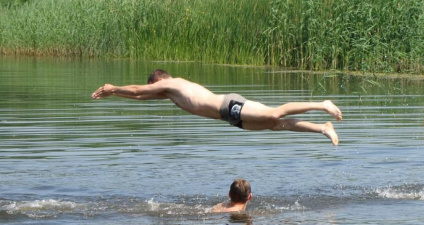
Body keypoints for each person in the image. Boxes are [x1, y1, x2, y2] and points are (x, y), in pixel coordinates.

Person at [91, 69, 342, 145]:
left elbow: (137, 90)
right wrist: (114, 94)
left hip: (229, 105)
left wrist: (113, 87)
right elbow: (137, 97)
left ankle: (322, 104)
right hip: (229, 118)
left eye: (153, 86)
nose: (153, 91)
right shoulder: (170, 95)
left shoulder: (175, 84)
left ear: (159, 80)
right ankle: (322, 128)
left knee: (274, 113)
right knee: (276, 125)